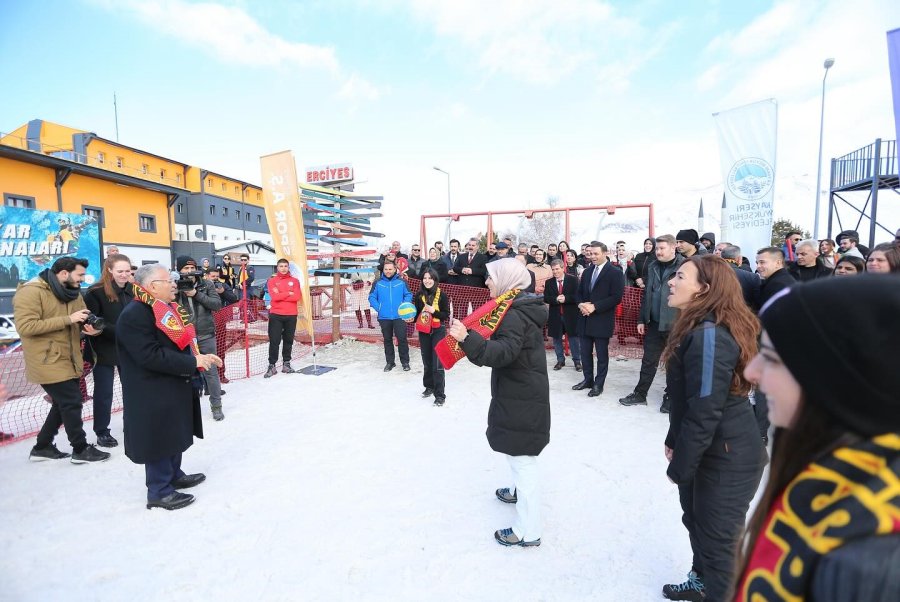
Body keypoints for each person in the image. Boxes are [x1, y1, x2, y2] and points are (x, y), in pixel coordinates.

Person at [735, 276, 900, 601]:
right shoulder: (834, 478)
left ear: (835, 382)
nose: (751, 372)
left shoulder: (867, 560)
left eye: (770, 358)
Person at [661, 255, 767, 601]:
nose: (670, 282)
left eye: (680, 276)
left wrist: (680, 468)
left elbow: (705, 407)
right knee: (697, 524)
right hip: (706, 449)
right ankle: (700, 582)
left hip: (728, 457)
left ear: (704, 289)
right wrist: (673, 438)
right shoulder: (696, 326)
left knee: (720, 545)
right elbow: (687, 400)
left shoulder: (710, 334)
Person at [447, 258, 550, 547]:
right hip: (520, 389)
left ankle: (528, 531)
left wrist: (467, 338)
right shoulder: (514, 306)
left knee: (523, 459)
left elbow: (503, 352)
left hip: (523, 393)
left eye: (491, 277)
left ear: (506, 280)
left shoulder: (514, 313)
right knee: (518, 447)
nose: (487, 282)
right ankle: (517, 491)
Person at [118, 264, 222, 511]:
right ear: (153, 286)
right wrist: (192, 362)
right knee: (160, 437)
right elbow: (150, 356)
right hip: (152, 389)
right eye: (169, 280)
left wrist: (198, 358)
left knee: (174, 431)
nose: (174, 283)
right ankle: (159, 491)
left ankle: (174, 474)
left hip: (173, 381)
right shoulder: (136, 313)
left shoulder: (165, 308)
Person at [14, 257, 111, 464]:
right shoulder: (31, 292)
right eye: (80, 275)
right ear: (64, 274)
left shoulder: (73, 292)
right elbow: (26, 327)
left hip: (70, 356)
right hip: (46, 359)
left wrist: (90, 329)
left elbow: (80, 319)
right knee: (71, 401)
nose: (82, 280)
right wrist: (69, 319)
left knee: (62, 403)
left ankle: (43, 446)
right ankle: (80, 449)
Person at [619, 234, 683, 410]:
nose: (658, 252)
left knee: (674, 363)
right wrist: (642, 319)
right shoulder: (653, 266)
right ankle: (640, 394)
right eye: (657, 248)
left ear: (673, 248)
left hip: (676, 325)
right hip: (654, 323)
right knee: (648, 360)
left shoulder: (684, 266)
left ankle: (671, 397)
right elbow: (647, 294)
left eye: (662, 248)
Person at [83, 253, 135, 447]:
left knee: (131, 388)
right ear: (110, 270)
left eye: (127, 271)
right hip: (103, 348)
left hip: (127, 348)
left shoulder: (133, 290)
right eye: (120, 271)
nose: (124, 275)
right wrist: (120, 331)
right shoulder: (95, 292)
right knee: (104, 392)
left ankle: (131, 424)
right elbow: (92, 320)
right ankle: (102, 431)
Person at [175, 256, 225, 421]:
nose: (189, 272)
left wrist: (196, 293)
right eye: (185, 269)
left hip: (205, 334)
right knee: (183, 374)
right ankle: (185, 409)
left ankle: (216, 406)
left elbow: (216, 305)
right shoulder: (173, 285)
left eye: (192, 268)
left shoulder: (207, 284)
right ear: (179, 270)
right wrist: (175, 291)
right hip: (182, 337)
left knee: (211, 372)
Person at [573, 241, 625, 397]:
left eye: (596, 254)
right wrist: (581, 304)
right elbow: (579, 292)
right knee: (585, 353)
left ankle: (598, 384)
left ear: (605, 253)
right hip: (585, 318)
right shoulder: (587, 272)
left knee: (602, 355)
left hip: (602, 320)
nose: (593, 256)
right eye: (590, 254)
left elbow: (616, 297)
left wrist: (595, 306)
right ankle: (587, 380)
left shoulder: (615, 272)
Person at [368, 260, 413, 372]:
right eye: (386, 269)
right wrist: (379, 308)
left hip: (400, 316)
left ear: (395, 269)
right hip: (384, 317)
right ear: (383, 270)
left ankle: (405, 362)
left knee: (402, 339)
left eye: (390, 269)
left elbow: (408, 294)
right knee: (387, 340)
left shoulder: (401, 282)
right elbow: (372, 297)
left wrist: (404, 306)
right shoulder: (377, 283)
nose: (388, 271)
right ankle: (390, 362)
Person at [414, 268, 449, 406]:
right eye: (425, 278)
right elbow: (416, 314)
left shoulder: (442, 295)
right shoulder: (418, 296)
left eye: (430, 278)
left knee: (437, 364)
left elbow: (446, 315)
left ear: (435, 280)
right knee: (427, 361)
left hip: (438, 330)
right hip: (424, 331)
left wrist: (434, 311)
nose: (427, 281)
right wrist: (409, 318)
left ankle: (440, 394)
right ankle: (429, 386)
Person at [264, 258, 301, 377]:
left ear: (288, 267)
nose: (283, 268)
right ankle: (272, 365)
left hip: (291, 314)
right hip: (276, 314)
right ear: (277, 267)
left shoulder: (295, 281)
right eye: (281, 266)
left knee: (288, 340)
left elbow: (297, 297)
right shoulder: (272, 281)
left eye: (285, 266)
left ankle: (286, 363)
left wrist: (282, 295)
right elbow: (274, 297)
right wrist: (288, 293)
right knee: (274, 340)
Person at [543, 259, 581, 371]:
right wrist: (555, 299)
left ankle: (577, 362)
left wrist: (566, 299)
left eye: (557, 269)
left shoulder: (573, 280)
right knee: (556, 339)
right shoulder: (549, 282)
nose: (555, 272)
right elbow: (546, 298)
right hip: (555, 315)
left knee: (574, 339)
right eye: (553, 269)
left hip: (571, 315)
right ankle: (560, 360)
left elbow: (578, 296)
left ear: (562, 268)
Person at [206, 267, 238, 384]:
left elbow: (234, 299)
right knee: (205, 350)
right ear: (206, 276)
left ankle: (221, 374)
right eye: (212, 276)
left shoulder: (222, 286)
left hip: (219, 320)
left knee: (220, 348)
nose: (214, 279)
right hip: (204, 321)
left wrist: (222, 292)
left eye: (216, 276)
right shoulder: (201, 286)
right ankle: (206, 379)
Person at [721, 245, 760, 310]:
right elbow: (757, 303)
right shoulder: (752, 277)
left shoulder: (710, 273)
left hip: (715, 315)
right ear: (738, 258)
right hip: (743, 315)